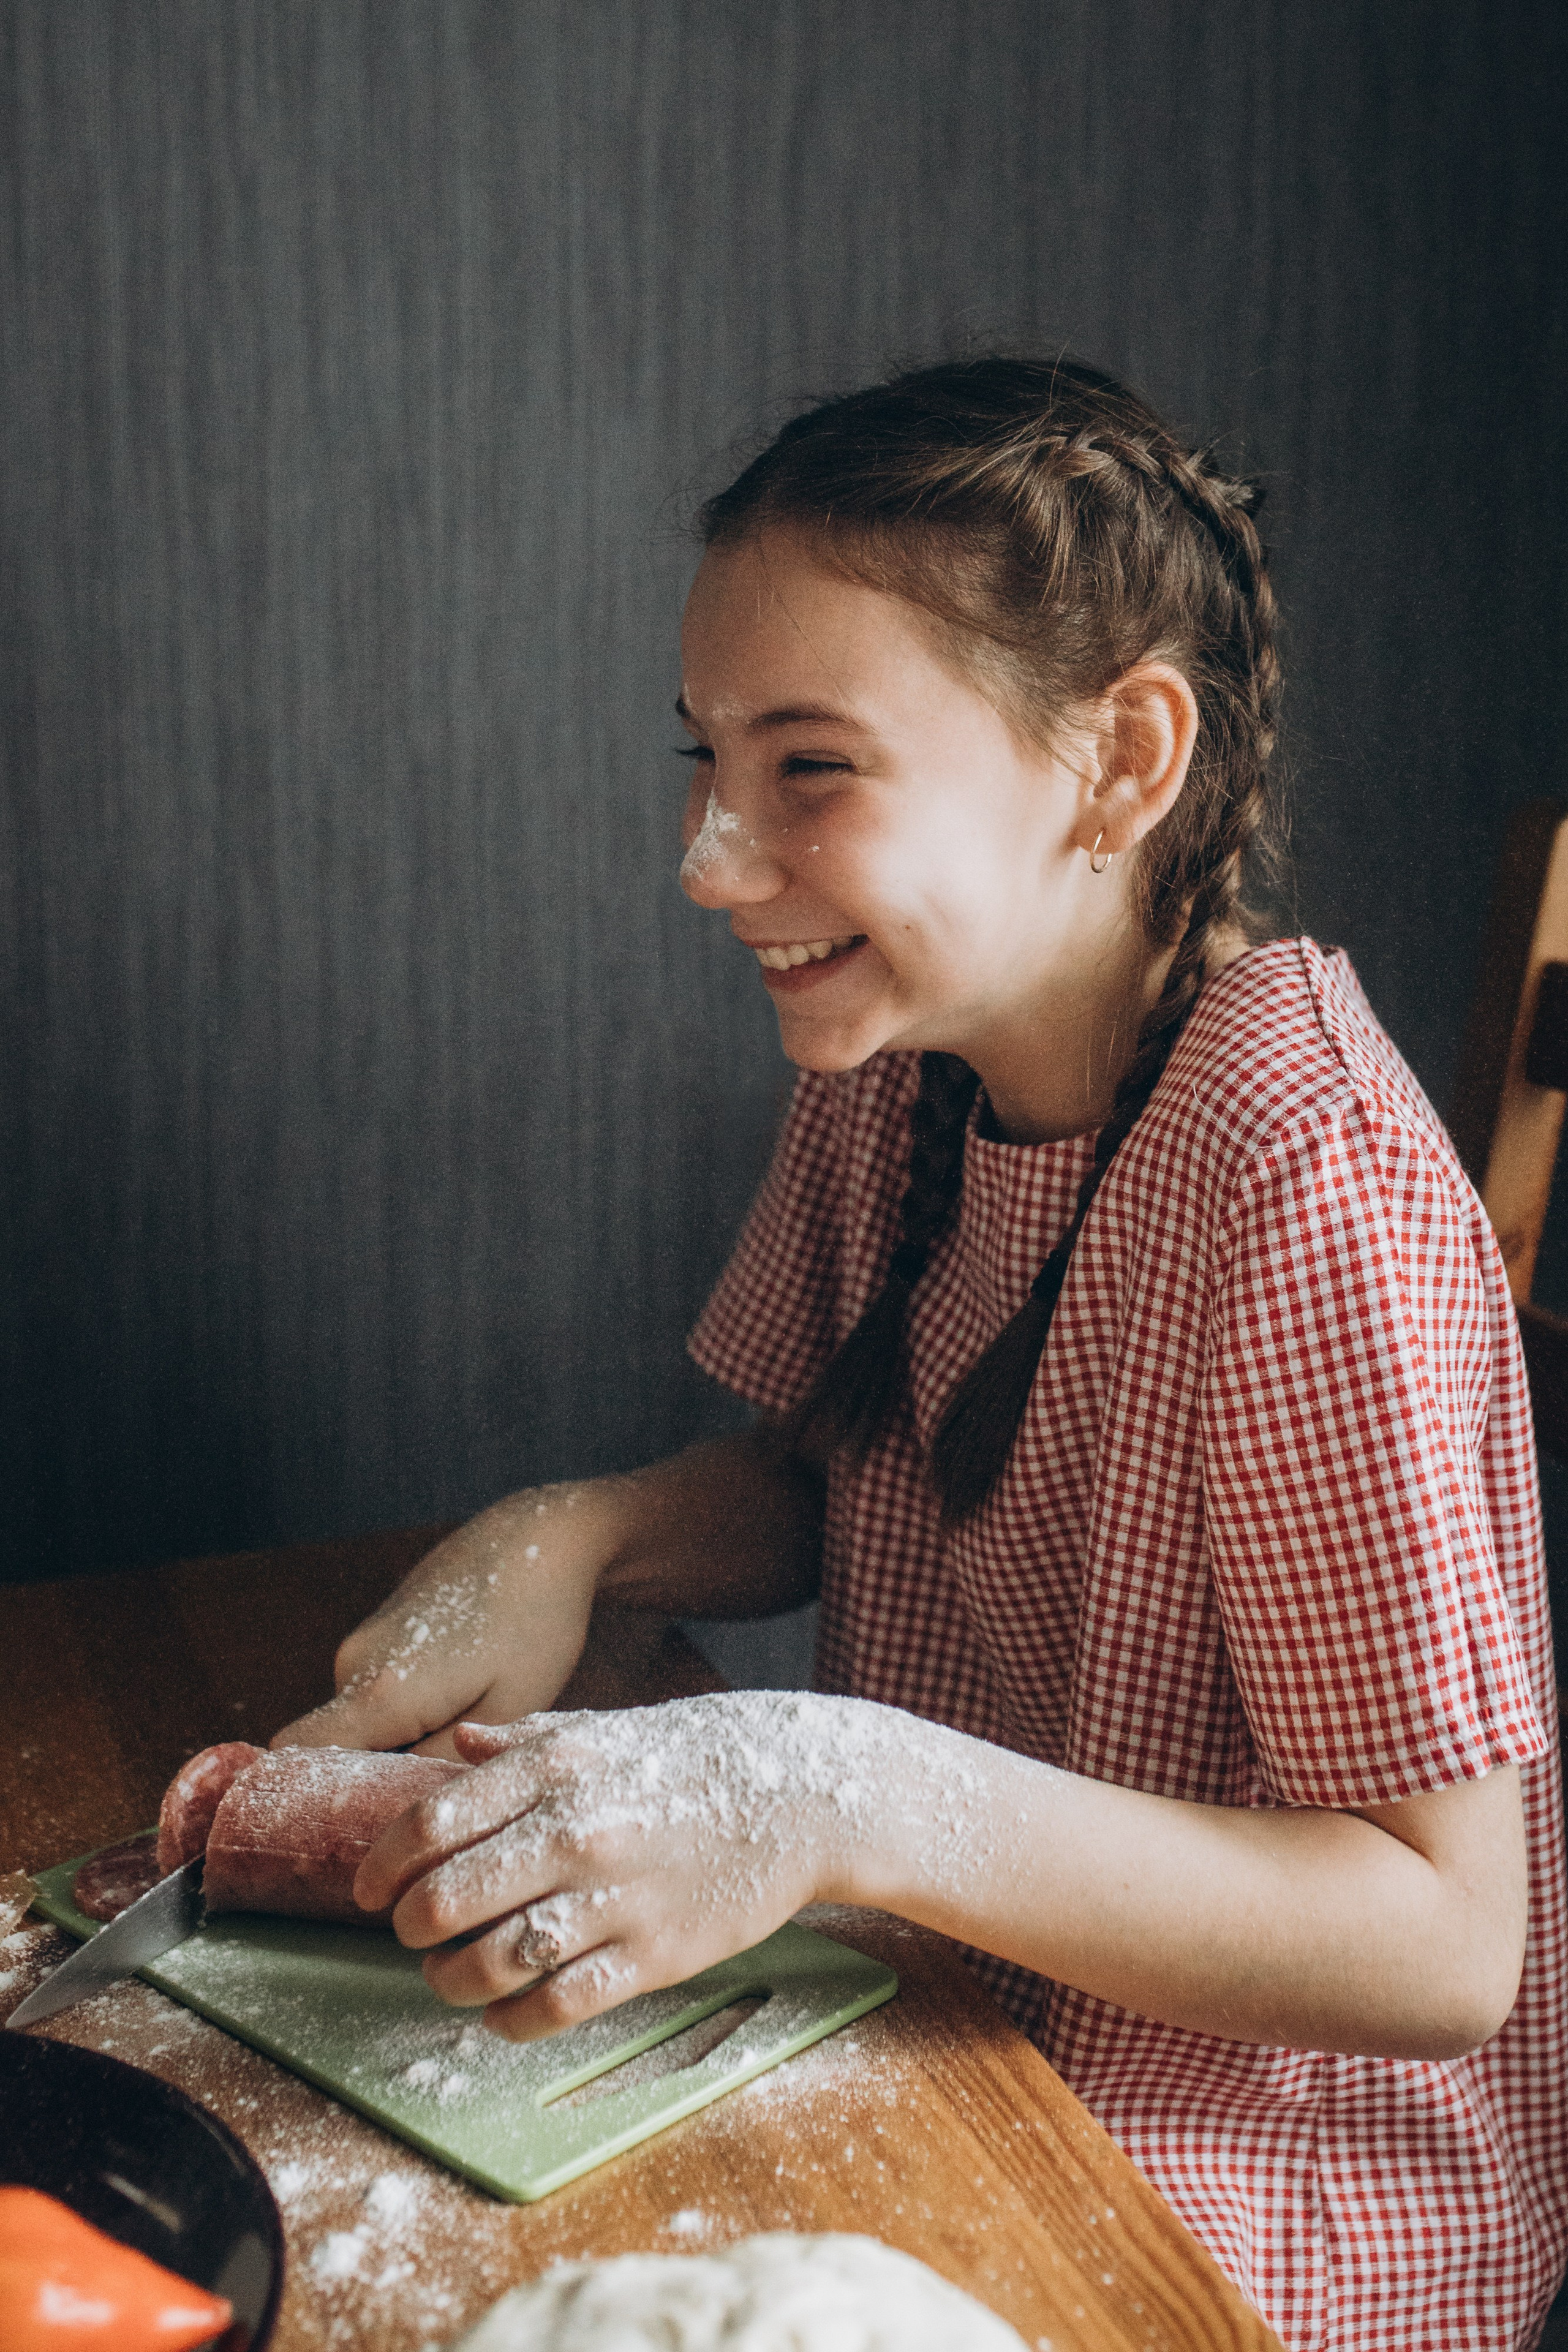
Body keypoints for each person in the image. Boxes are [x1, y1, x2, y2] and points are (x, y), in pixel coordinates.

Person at [274, 358, 1568, 2351]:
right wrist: (589, 1540)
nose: (711, 858)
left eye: (811, 768)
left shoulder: (1308, 1188)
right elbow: (820, 1477)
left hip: (1256, 2208)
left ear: (1122, 760)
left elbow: (1440, 1942)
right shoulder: (901, 1062)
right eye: (705, 760)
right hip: (951, 2008)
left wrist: (837, 1786)